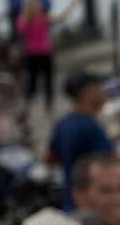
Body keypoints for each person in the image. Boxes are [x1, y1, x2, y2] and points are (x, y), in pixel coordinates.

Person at [47, 72, 114, 209]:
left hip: (70, 202)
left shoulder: (62, 124)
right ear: (88, 93)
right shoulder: (90, 128)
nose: (104, 92)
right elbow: (114, 165)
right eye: (100, 88)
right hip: (91, 206)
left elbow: (49, 158)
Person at [18, 0, 80, 114]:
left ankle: (29, 105)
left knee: (34, 82)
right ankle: (46, 105)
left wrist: (71, 6)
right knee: (46, 81)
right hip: (43, 54)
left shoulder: (25, 20)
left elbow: (21, 31)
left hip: (33, 54)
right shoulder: (39, 18)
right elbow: (60, 18)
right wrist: (71, 6)